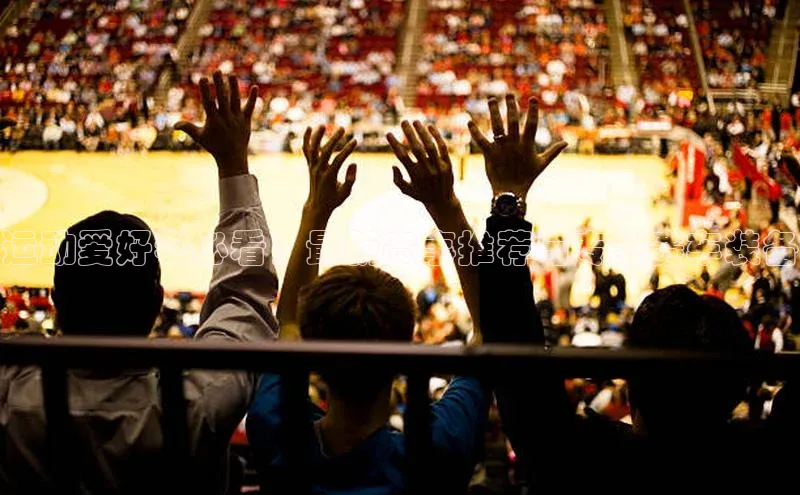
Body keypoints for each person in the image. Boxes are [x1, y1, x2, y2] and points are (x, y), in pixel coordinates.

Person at [0, 73, 279, 495]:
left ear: (56, 301)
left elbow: (244, 293)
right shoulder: (198, 401)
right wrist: (233, 166)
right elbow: (245, 292)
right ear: (155, 301)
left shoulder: (8, 393)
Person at [472, 95, 758, 489]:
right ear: (738, 385)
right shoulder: (767, 458)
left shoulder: (584, 459)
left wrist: (507, 201)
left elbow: (509, 343)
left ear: (631, 384)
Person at [247, 120, 487, 493]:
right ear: (407, 349)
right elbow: (488, 328)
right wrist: (446, 207)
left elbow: (289, 318)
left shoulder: (273, 428)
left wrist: (316, 210)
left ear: (312, 357)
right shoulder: (438, 449)